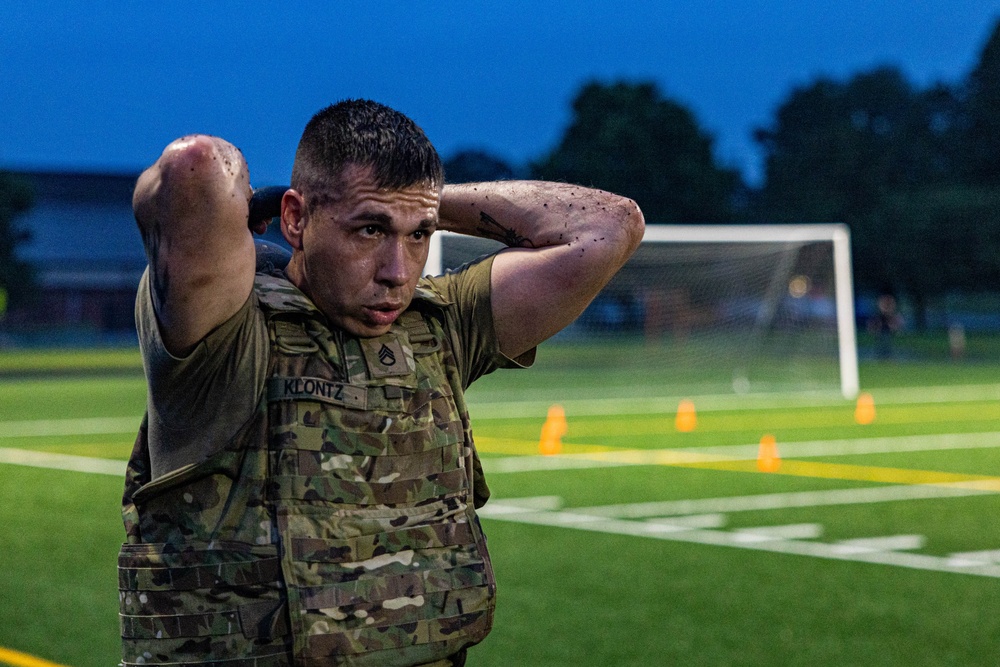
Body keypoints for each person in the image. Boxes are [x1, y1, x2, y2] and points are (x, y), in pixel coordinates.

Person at [117, 99, 644, 667]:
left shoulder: (444, 322)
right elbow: (196, 167)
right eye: (370, 228)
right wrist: (269, 198)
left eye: (418, 235)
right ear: (294, 219)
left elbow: (611, 225)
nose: (398, 270)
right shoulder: (225, 332)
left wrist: (424, 202)